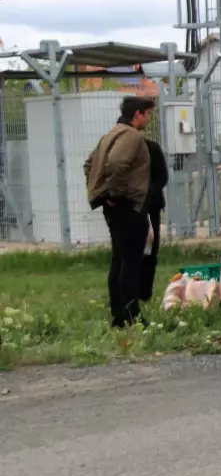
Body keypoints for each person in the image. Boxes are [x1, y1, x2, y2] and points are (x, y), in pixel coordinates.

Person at [84, 95, 155, 328]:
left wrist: (101, 192)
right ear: (138, 114)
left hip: (115, 206)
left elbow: (89, 164)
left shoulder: (111, 133)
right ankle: (131, 314)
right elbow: (115, 164)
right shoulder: (132, 136)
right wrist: (114, 193)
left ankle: (118, 316)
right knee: (131, 262)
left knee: (119, 259)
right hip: (127, 205)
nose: (148, 118)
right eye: (147, 113)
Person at [139, 138, 169, 304]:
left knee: (150, 250)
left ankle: (145, 292)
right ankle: (129, 292)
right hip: (130, 206)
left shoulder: (151, 148)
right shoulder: (121, 148)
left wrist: (149, 192)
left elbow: (162, 176)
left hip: (151, 206)